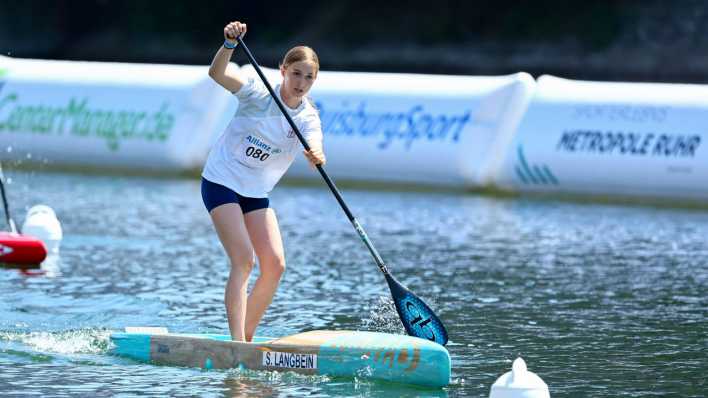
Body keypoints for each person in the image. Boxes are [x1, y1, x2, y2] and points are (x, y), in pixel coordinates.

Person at [203, 20, 325, 342]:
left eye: (308, 77)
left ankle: (247, 337)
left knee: (275, 265)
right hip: (221, 182)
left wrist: (315, 157)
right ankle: (236, 344)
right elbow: (217, 75)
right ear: (283, 70)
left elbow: (315, 151)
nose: (301, 83)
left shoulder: (309, 118)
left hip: (256, 194)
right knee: (244, 260)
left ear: (315, 80)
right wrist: (229, 44)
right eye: (296, 73)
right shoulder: (258, 94)